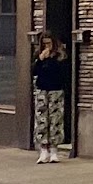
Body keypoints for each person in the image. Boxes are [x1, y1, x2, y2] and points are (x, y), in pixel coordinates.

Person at [32, 32, 68, 164]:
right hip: (42, 89)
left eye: (49, 43)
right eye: (44, 43)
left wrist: (52, 60)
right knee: (42, 120)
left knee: (55, 120)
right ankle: (43, 150)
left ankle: (54, 150)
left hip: (56, 90)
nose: (47, 46)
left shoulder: (60, 56)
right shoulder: (39, 56)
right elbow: (34, 72)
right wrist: (40, 60)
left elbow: (63, 72)